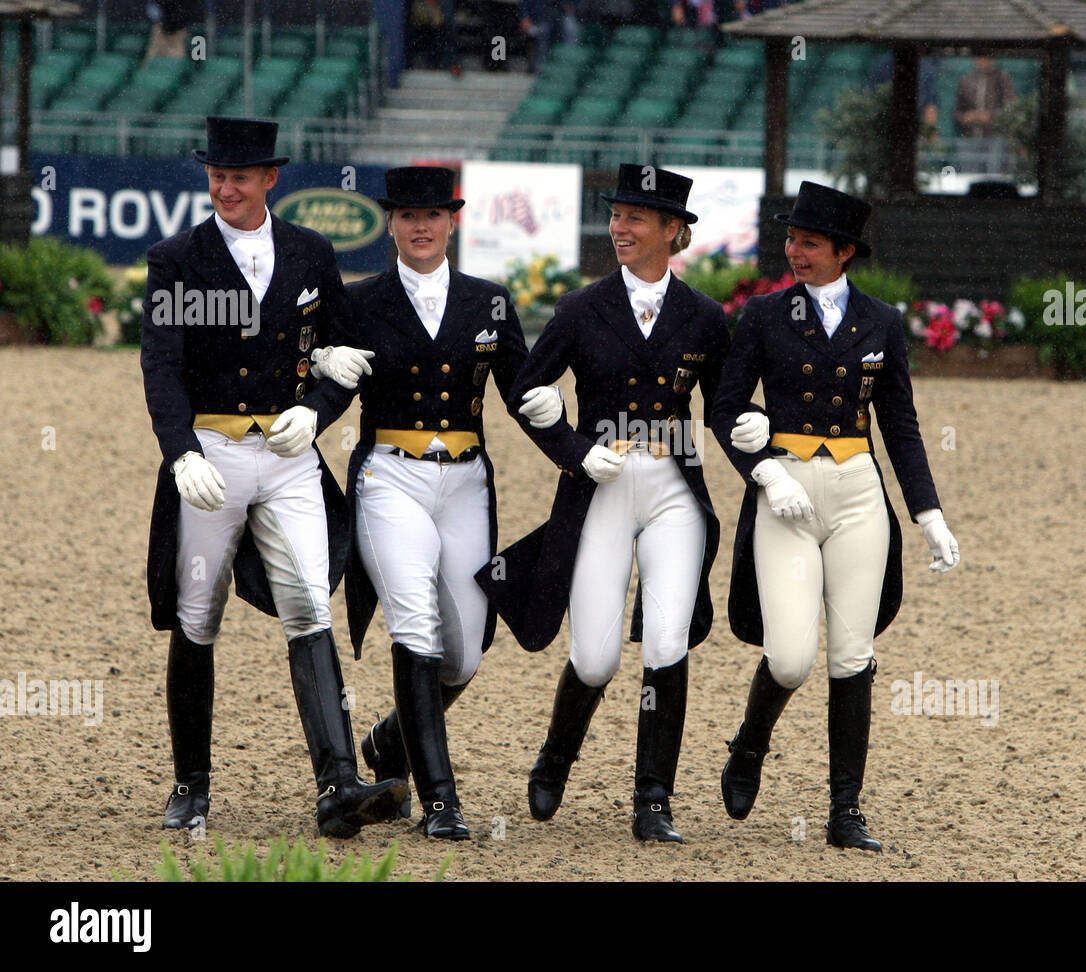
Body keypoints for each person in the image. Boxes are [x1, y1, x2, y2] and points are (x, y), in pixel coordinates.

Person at [140, 116, 408, 838]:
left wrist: (319, 408)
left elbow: (345, 347)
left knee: (309, 607)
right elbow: (161, 363)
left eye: (239, 177)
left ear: (270, 180)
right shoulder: (177, 260)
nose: (225, 188)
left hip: (287, 455)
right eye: (216, 177)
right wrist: (180, 451)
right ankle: (190, 786)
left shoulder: (310, 253)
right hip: (213, 454)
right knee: (198, 613)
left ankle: (339, 783)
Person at [478, 164, 731, 843]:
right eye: (616, 215)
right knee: (595, 658)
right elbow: (527, 394)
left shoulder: (706, 318)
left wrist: (768, 451)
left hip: (674, 493)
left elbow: (729, 407)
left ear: (672, 231)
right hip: (603, 489)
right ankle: (556, 754)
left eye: (636, 218)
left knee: (668, 640)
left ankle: (654, 799)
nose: (620, 226)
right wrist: (569, 444)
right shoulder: (579, 308)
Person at [709, 181, 960, 852]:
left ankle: (845, 810)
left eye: (810, 243)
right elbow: (725, 407)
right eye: (792, 240)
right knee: (790, 659)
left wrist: (928, 512)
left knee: (853, 655)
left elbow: (899, 425)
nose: (795, 252)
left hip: (857, 494)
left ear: (844, 252)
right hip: (785, 491)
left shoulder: (881, 322)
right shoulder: (763, 316)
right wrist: (762, 470)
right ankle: (751, 743)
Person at [328, 167, 532, 840]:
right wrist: (313, 385)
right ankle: (441, 801)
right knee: (413, 621)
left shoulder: (491, 302)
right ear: (390, 222)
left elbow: (523, 396)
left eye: (434, 214)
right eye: (408, 214)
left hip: (466, 480)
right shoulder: (358, 301)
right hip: (391, 476)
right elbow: (324, 380)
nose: (421, 225)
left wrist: (579, 442)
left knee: (465, 654)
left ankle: (392, 740)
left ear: (454, 221)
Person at [953, 51, 1016, 137]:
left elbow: (1011, 108)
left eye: (986, 57)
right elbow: (957, 111)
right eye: (979, 56)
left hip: (995, 138)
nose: (982, 60)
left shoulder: (1002, 78)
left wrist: (991, 116)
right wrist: (966, 117)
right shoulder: (966, 80)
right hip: (969, 138)